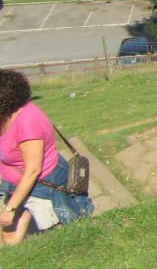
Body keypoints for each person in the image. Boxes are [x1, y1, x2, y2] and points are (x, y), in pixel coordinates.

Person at [0, 70, 93, 245]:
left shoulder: (28, 123)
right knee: (9, 237)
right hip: (16, 184)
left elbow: (33, 170)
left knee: (20, 236)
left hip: (42, 185)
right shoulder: (6, 116)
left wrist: (11, 208)